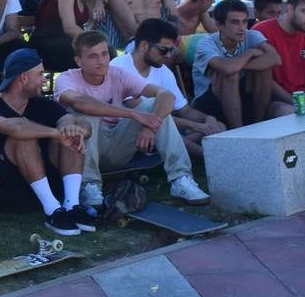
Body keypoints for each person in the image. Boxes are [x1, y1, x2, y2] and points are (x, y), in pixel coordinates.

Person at [56, 32, 211, 208]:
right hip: (84, 150)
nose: (101, 60)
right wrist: (133, 114)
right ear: (79, 60)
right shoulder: (66, 78)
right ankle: (88, 185)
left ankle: (181, 179)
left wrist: (150, 126)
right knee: (85, 114)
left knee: (154, 104)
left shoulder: (118, 74)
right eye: (93, 56)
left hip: (117, 146)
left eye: (104, 54)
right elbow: (80, 102)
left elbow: (165, 94)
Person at [0, 51, 91, 235]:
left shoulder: (41, 103)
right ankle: (53, 212)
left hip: (44, 186)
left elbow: (73, 119)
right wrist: (56, 133)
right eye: (40, 74)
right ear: (23, 78)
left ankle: (71, 206)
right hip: (8, 195)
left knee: (71, 134)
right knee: (23, 136)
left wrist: (73, 130)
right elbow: (14, 128)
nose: (44, 79)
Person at [113, 19, 225, 160]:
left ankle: (173, 149)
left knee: (218, 126)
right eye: (163, 50)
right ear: (143, 46)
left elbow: (185, 111)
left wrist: (208, 119)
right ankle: (211, 158)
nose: (168, 56)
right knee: (165, 129)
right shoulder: (119, 68)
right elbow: (144, 115)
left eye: (171, 50)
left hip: (156, 128)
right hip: (127, 132)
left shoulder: (163, 70)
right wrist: (197, 126)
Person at [192, 0, 289, 128]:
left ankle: (258, 126)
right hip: (208, 102)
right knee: (229, 75)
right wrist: (249, 54)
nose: (242, 28)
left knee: (263, 69)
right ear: (219, 24)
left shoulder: (252, 35)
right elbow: (227, 69)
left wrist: (239, 67)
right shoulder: (206, 43)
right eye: (234, 22)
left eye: (244, 21)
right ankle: (238, 132)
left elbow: (275, 59)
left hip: (242, 95)